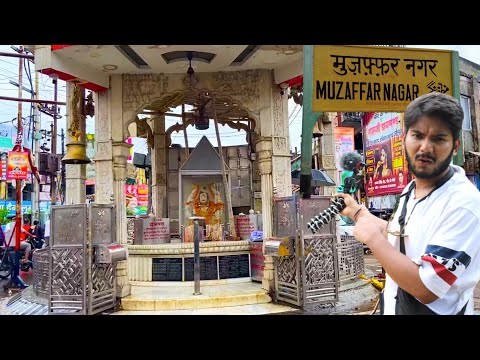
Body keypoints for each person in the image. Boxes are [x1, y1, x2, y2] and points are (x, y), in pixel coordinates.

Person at [336, 92, 480, 315]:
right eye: (418, 135)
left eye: (438, 138)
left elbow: (426, 288)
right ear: (405, 138)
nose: (425, 147)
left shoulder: (464, 204)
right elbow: (399, 237)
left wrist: (373, 240)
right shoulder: (410, 190)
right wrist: (358, 212)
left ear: (455, 146)